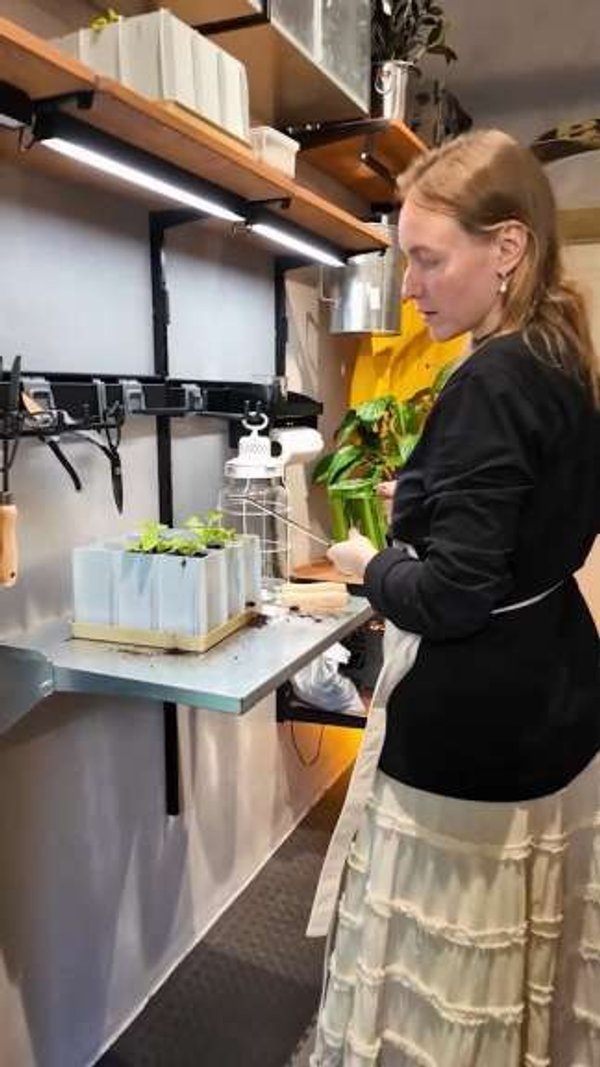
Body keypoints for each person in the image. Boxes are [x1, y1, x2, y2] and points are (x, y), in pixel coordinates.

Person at [308, 129, 600, 1067]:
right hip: (557, 693)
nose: (410, 288)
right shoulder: (559, 354)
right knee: (523, 961)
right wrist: (429, 500)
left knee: (446, 987)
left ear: (506, 247)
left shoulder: (490, 379)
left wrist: (368, 563)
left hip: (477, 731)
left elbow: (451, 597)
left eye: (428, 260)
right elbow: (533, 520)